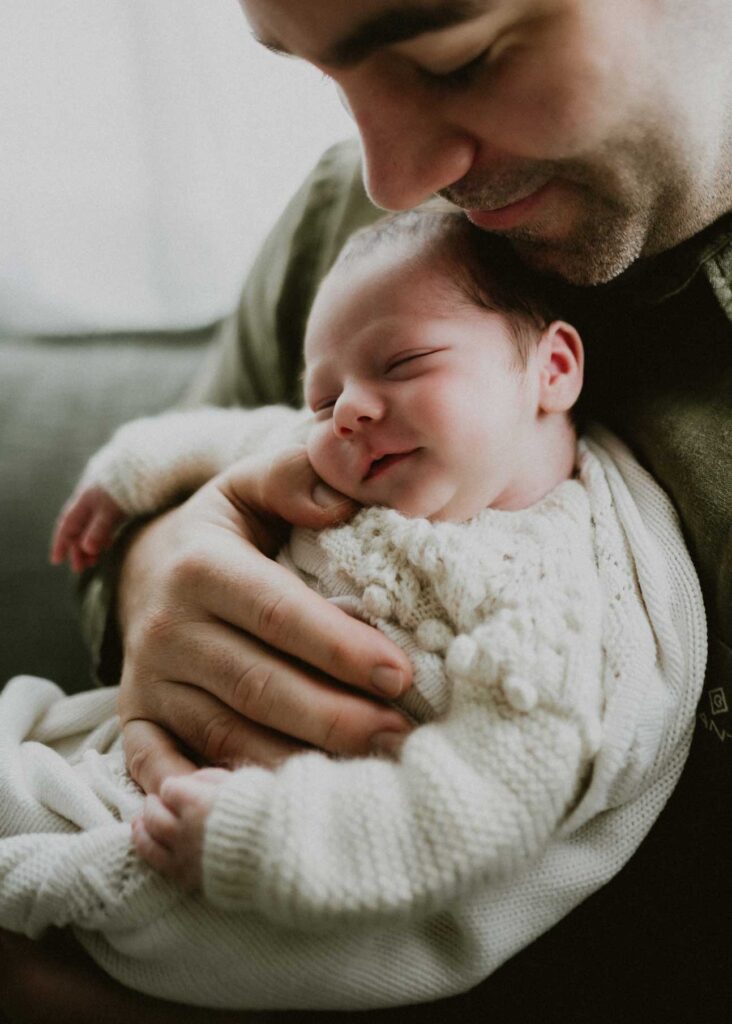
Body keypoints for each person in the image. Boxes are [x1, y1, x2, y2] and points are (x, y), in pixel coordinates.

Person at [3, 0, 730, 1020]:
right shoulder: (346, 228)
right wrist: (154, 560)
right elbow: (223, 447)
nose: (389, 175)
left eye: (456, 60)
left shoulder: (562, 591)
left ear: (554, 369)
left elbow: (490, 797)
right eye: (324, 75)